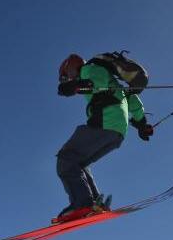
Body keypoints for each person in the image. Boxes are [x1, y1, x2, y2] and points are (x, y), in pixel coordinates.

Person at [53, 52, 154, 223]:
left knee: (66, 158)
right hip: (118, 132)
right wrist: (142, 124)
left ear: (71, 68)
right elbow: (133, 101)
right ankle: (93, 205)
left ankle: (82, 205)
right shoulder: (111, 79)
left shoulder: (89, 69)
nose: (67, 80)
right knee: (79, 162)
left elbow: (95, 84)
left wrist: (75, 86)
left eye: (66, 76)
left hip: (104, 123)